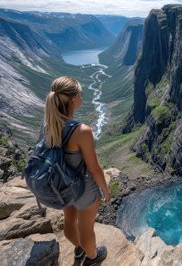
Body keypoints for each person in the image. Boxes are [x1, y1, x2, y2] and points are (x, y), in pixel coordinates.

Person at [42, 76, 112, 265]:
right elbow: (94, 168)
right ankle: (92, 258)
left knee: (69, 221)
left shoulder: (48, 125)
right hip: (84, 189)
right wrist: (105, 190)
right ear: (73, 101)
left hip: (62, 185)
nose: (82, 97)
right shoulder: (81, 131)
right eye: (80, 94)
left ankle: (79, 249)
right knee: (86, 228)